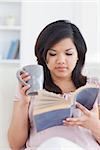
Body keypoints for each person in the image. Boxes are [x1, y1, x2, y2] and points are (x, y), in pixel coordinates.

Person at [8, 20, 100, 150]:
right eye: (52, 54)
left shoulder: (94, 87)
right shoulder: (29, 89)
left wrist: (93, 124)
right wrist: (23, 102)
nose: (61, 60)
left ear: (78, 55)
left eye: (68, 54)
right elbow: (15, 145)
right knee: (55, 144)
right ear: (44, 57)